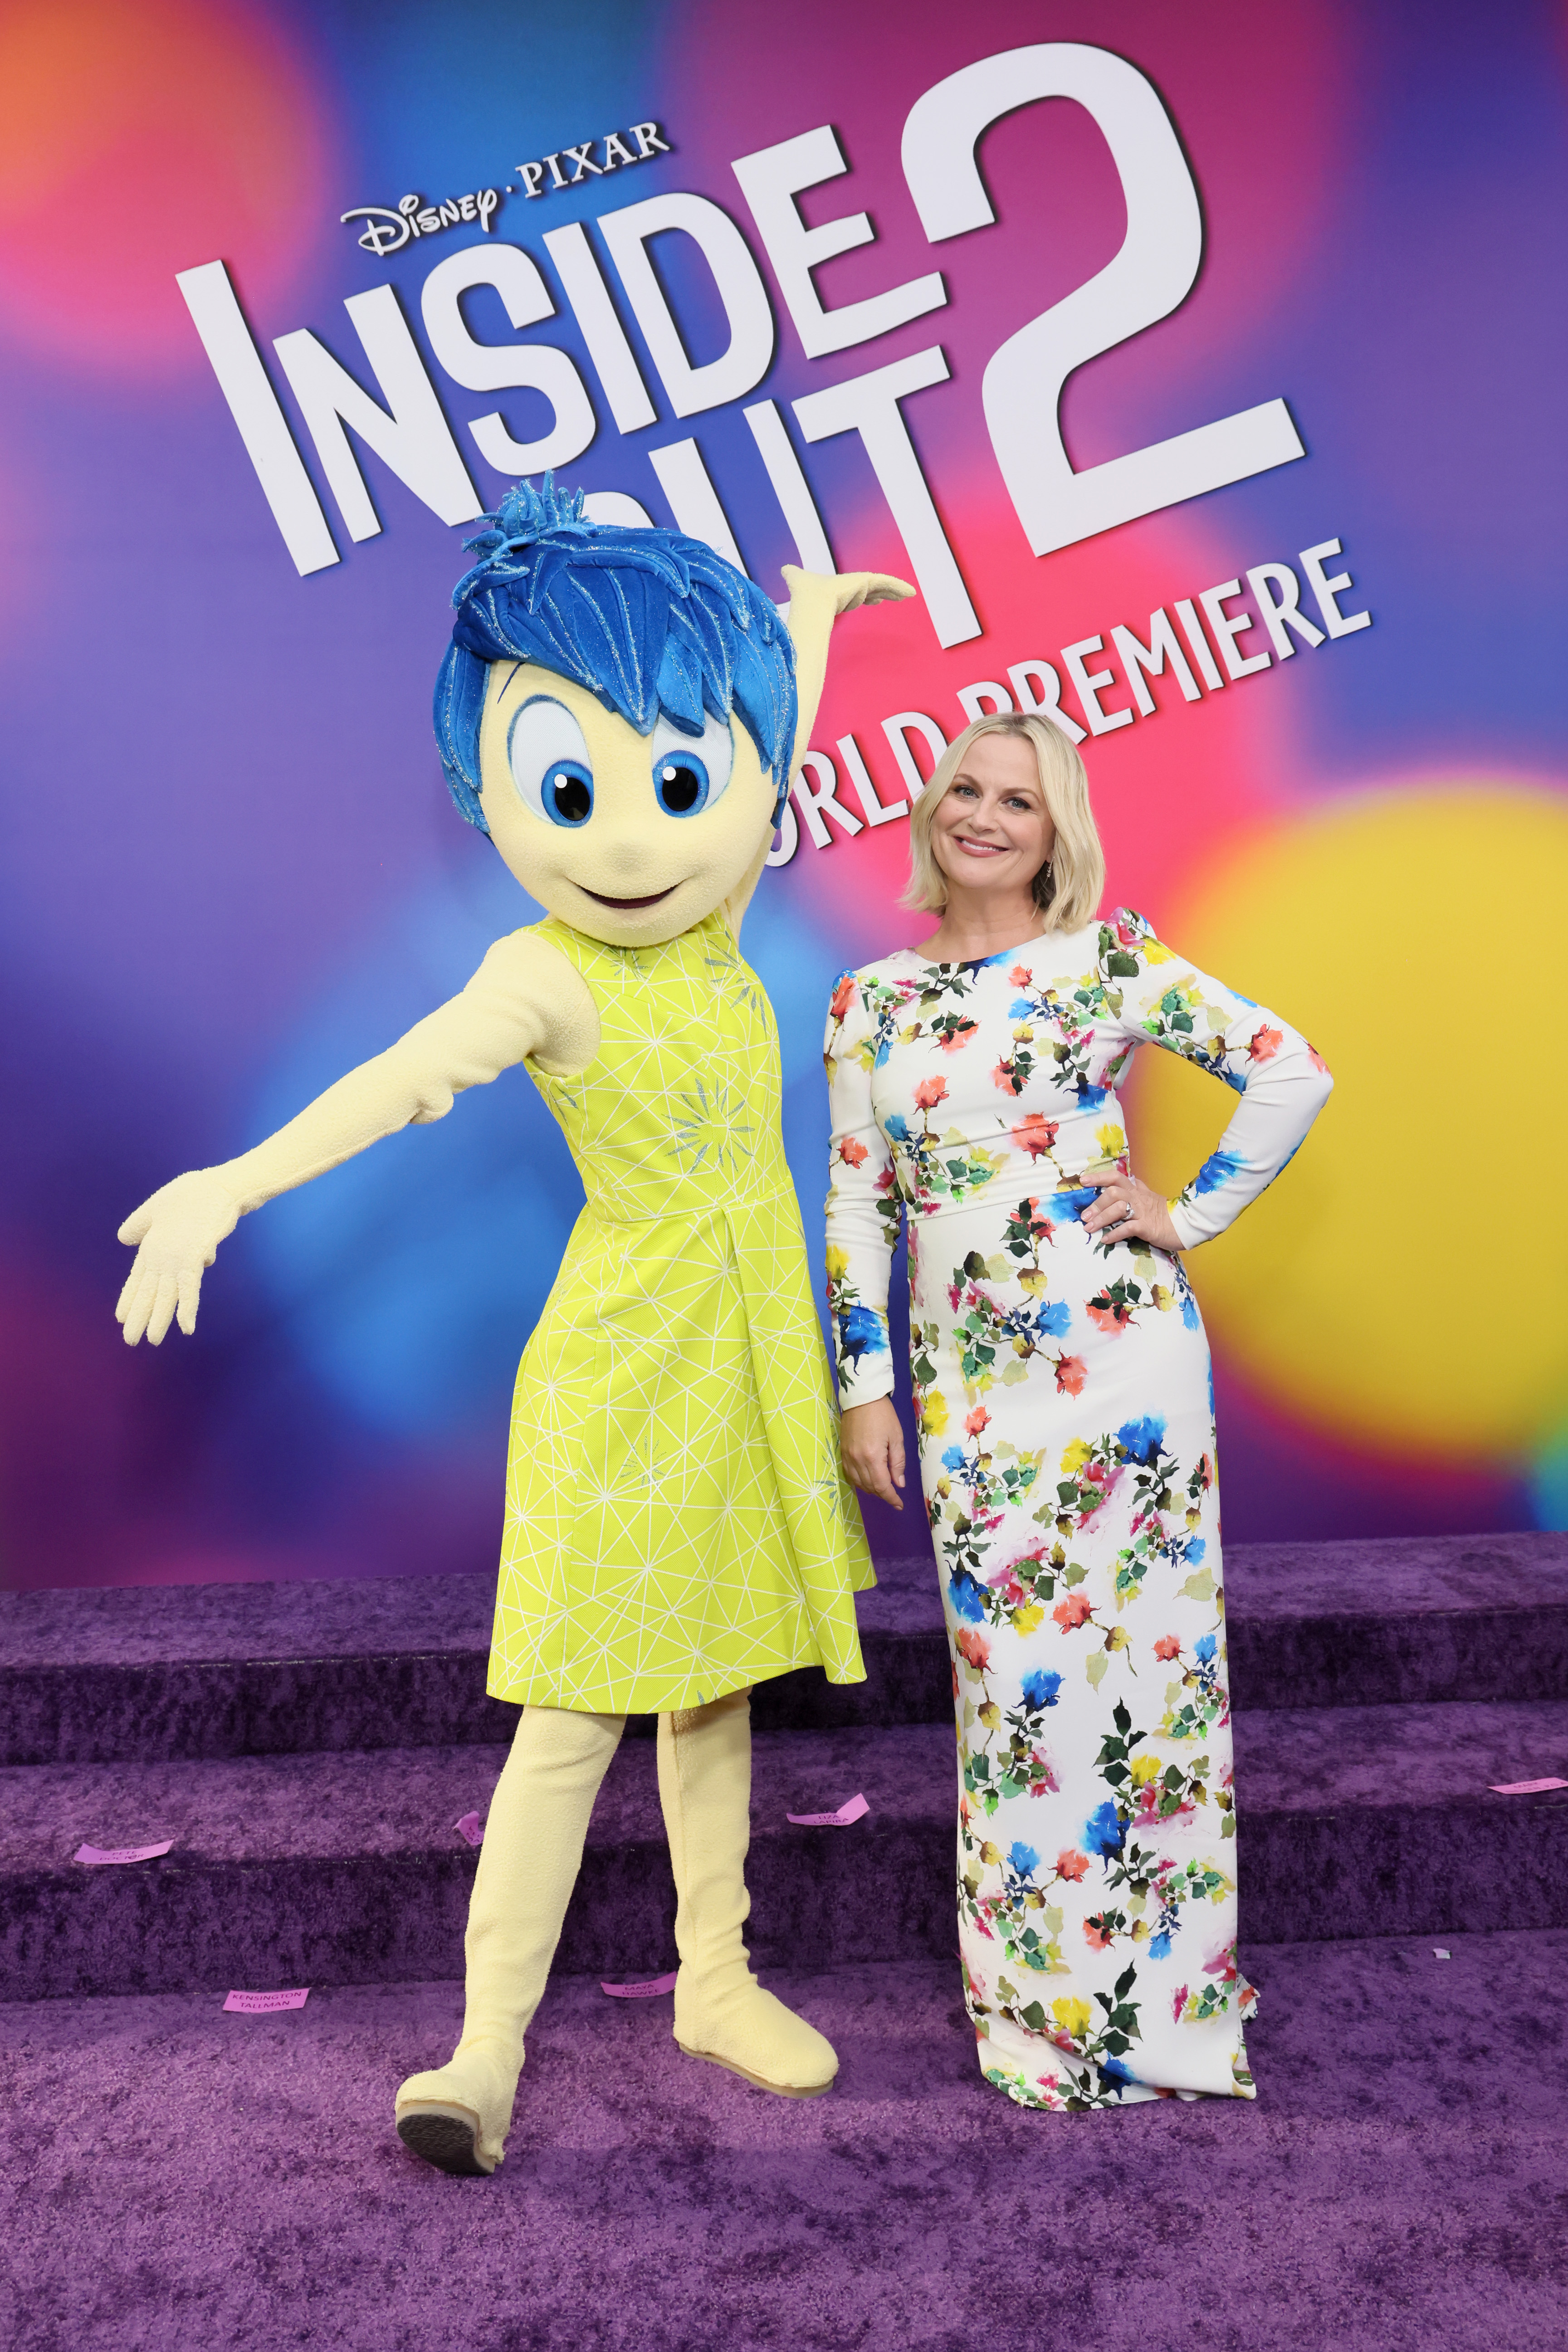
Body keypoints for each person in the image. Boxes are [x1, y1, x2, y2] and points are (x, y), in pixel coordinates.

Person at [114, 479, 912, 2173]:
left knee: (714, 1699)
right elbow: (395, 1089)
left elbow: (749, 750)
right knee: (572, 1720)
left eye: (675, 781)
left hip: (746, 1364)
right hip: (621, 1375)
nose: (632, 835)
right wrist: (228, 1185)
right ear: (493, 790)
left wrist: (810, 640)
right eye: (570, 783)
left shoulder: (719, 936)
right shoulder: (541, 973)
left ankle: (717, 1974)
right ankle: (480, 2048)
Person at [824, 711, 1331, 2110]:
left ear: (1059, 833)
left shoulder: (1104, 960)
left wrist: (1190, 1213)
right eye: (965, 788)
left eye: (1019, 801)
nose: (982, 815)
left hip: (1126, 1381)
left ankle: (1161, 2009)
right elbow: (858, 1201)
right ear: (932, 805)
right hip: (971, 1400)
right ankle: (1037, 2012)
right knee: (1011, 1698)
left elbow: (1290, 1067)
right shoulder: (864, 1001)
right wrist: (865, 1389)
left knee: (1151, 1683)